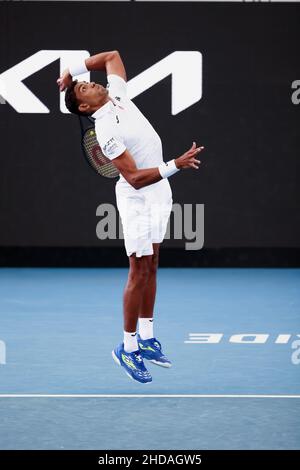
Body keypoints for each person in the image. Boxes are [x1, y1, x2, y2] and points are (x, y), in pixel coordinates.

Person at [57, 50, 204, 384]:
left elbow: (112, 56)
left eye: (87, 83)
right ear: (85, 107)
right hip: (137, 198)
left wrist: (71, 70)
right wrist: (175, 166)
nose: (91, 84)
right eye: (83, 89)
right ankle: (127, 346)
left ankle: (148, 337)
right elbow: (135, 177)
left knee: (152, 264)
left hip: (159, 193)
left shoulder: (118, 96)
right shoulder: (106, 129)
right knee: (138, 271)